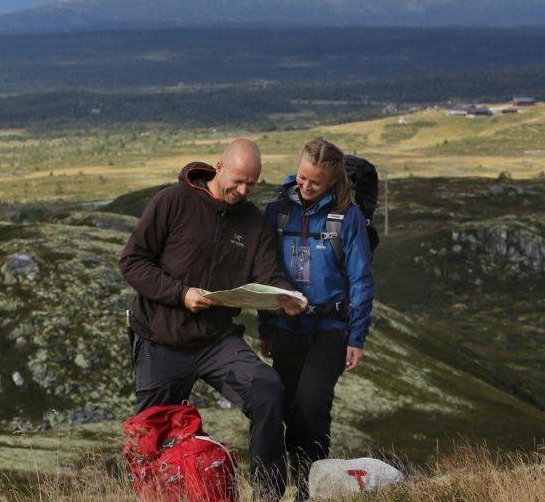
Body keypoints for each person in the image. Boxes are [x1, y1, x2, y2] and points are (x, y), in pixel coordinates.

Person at [119, 138, 308, 501]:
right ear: (218, 166)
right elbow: (132, 262)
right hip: (162, 337)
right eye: (237, 180)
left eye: (251, 184)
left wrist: (285, 295)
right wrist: (181, 294)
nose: (242, 190)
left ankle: (268, 496)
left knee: (268, 391)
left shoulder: (253, 222)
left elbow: (269, 272)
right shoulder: (172, 202)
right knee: (149, 435)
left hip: (217, 341)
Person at [258, 137, 374, 502]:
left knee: (311, 405)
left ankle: (310, 491)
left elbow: (360, 279)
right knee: (287, 406)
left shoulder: (348, 218)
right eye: (302, 178)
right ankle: (285, 488)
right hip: (286, 329)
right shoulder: (276, 212)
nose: (306, 187)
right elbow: (266, 273)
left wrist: (356, 338)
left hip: (330, 330)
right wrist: (265, 328)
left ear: (332, 181)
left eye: (316, 183)